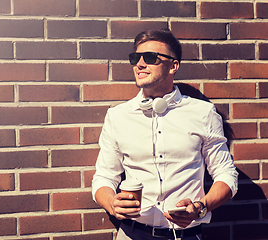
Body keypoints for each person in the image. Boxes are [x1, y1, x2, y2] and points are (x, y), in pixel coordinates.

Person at [92, 29, 238, 240]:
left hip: (186, 236)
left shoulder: (203, 113)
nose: (140, 64)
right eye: (136, 58)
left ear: (173, 66)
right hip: (133, 234)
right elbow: (104, 177)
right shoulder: (118, 116)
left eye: (150, 58)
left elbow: (226, 174)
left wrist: (201, 207)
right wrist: (112, 204)